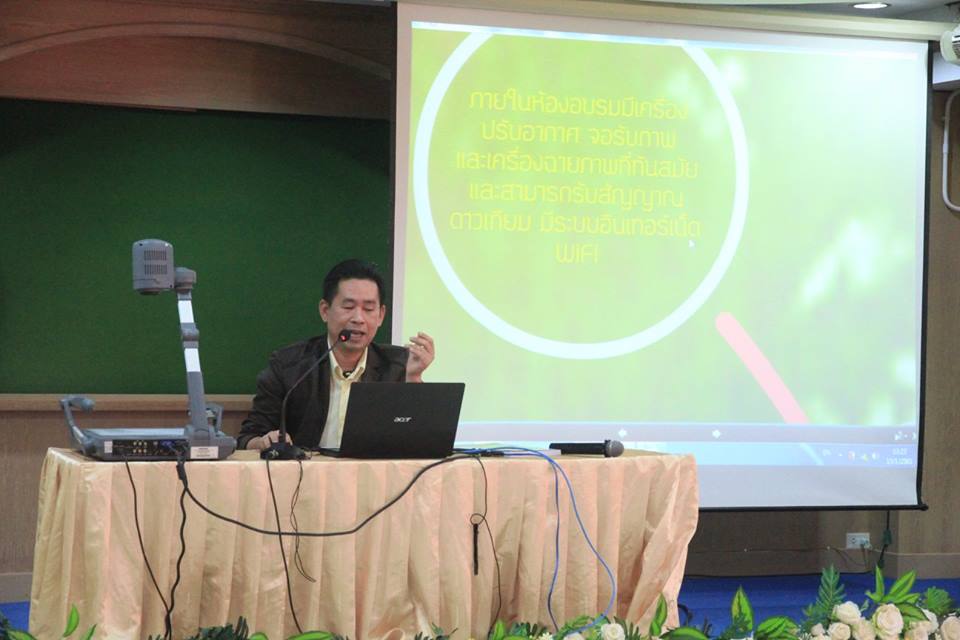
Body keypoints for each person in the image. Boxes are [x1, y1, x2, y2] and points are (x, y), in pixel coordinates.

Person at [238, 259, 435, 451]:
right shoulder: (288, 366)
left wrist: (414, 378)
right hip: (305, 471)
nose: (358, 318)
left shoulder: (397, 365)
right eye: (348, 307)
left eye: (368, 309)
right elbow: (247, 438)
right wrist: (264, 442)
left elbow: (421, 441)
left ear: (381, 315)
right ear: (325, 311)